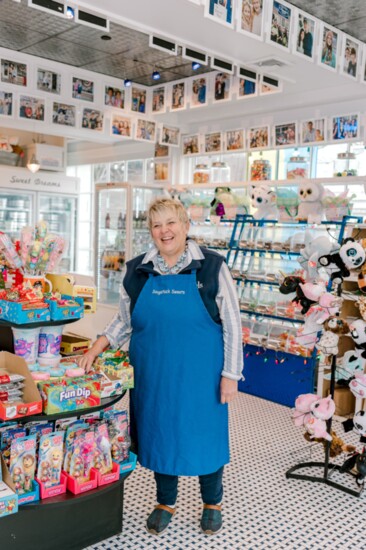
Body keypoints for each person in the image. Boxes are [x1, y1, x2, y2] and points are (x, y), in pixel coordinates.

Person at [79, 197, 242, 537]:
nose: (165, 231)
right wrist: (97, 346)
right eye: (157, 225)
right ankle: (165, 501)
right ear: (150, 231)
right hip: (154, 374)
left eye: (171, 223)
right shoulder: (138, 270)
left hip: (202, 376)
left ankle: (212, 502)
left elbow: (231, 323)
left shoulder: (211, 267)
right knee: (161, 435)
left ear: (185, 226)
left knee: (204, 436)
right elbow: (123, 322)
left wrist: (230, 374)